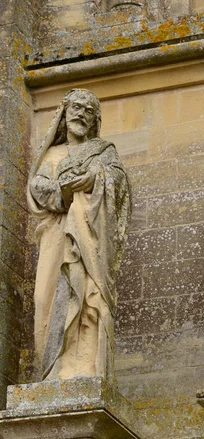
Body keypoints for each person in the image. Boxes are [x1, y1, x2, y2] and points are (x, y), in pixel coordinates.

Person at [28, 88, 131, 380]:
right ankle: (52, 372)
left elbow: (119, 186)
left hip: (89, 237)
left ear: (95, 120)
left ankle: (82, 368)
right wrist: (65, 191)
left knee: (87, 296)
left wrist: (94, 179)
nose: (80, 114)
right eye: (75, 107)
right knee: (43, 299)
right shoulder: (52, 154)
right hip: (56, 236)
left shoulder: (104, 153)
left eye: (88, 110)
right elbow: (37, 189)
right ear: (63, 114)